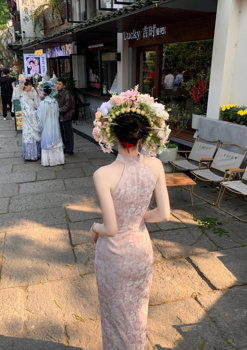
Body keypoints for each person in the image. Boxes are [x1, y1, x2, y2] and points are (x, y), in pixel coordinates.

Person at [91, 88, 171, 349]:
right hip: (141, 250)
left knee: (115, 315)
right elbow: (164, 214)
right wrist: (137, 215)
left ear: (113, 134)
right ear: (144, 135)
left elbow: (110, 227)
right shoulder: (156, 166)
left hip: (114, 255)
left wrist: (94, 226)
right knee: (137, 311)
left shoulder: (103, 174)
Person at [37, 82, 64, 166]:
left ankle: (48, 161)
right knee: (56, 140)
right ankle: (58, 160)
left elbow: (41, 118)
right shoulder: (55, 102)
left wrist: (39, 127)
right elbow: (57, 114)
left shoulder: (43, 103)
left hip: (47, 126)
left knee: (47, 141)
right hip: (55, 125)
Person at [19, 78, 41, 161]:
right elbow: (26, 110)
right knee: (29, 135)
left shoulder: (28, 94)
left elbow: (34, 105)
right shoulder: (23, 97)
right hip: (28, 119)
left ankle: (35, 153)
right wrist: (35, 113)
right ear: (26, 86)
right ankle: (30, 155)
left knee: (33, 135)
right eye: (29, 85)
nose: (31, 87)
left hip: (32, 117)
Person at [56, 77, 74, 155]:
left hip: (66, 116)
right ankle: (66, 147)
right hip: (61, 116)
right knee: (63, 133)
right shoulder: (58, 93)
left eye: (60, 84)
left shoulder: (67, 94)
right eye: (57, 84)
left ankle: (70, 149)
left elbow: (67, 106)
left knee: (68, 133)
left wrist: (57, 110)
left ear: (64, 86)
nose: (58, 85)